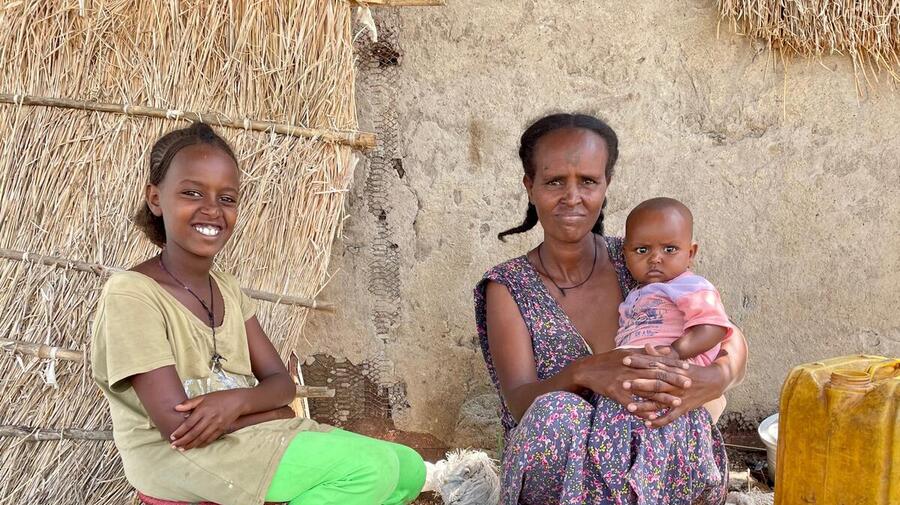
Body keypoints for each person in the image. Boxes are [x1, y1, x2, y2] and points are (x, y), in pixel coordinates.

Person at [90, 123, 425, 505]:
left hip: (244, 440)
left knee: (408, 467)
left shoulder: (225, 287)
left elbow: (281, 383)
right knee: (372, 471)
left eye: (227, 198)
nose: (211, 210)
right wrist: (270, 411)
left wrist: (238, 402)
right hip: (177, 459)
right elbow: (179, 427)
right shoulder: (132, 295)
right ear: (155, 198)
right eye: (191, 193)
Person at [474, 113, 748, 504]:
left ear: (606, 185)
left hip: (649, 465)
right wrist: (585, 372)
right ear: (529, 185)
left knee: (669, 413)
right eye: (554, 182)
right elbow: (519, 402)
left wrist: (716, 379)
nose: (572, 197)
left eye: (588, 181)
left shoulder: (640, 258)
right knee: (557, 413)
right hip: (559, 470)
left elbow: (727, 334)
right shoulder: (510, 287)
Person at [617, 197, 734, 422]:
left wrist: (675, 352)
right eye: (642, 250)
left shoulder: (690, 286)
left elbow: (713, 327)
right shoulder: (635, 295)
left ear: (690, 254)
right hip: (647, 376)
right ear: (625, 254)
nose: (655, 258)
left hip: (680, 374)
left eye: (670, 249)